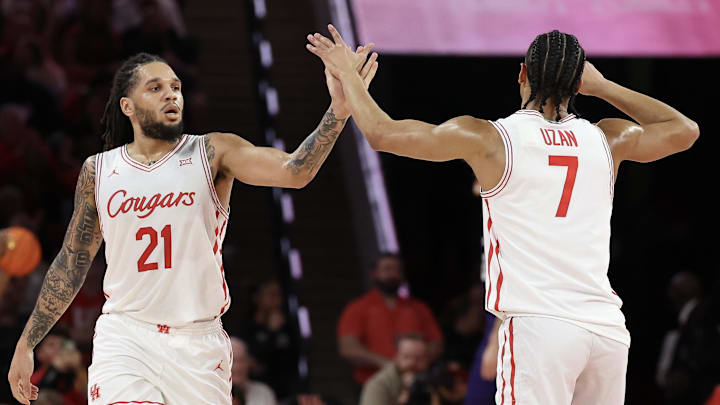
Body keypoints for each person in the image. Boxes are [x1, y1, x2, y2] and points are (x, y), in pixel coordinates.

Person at [308, 26, 699, 404]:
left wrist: (347, 75)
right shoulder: (609, 137)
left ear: (522, 74)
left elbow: (382, 133)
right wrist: (604, 87)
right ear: (579, 83)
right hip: (606, 331)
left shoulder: (490, 137)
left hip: (539, 327)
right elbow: (685, 130)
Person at [8, 47, 379, 405]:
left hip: (198, 343)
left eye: (176, 87)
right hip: (126, 335)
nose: (171, 94)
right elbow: (72, 262)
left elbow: (296, 171)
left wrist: (339, 110)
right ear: (128, 106)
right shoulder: (100, 171)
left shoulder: (212, 151)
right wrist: (27, 342)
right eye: (155, 88)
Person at [337, 253, 443, 384]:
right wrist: (387, 364)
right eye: (387, 269)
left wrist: (415, 363)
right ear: (374, 273)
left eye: (397, 270)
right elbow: (348, 348)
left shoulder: (418, 308)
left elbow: (436, 343)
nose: (393, 274)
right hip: (372, 381)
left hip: (415, 381)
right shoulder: (357, 308)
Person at [240, 279, 299, 398]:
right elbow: (251, 360)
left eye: (279, 295)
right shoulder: (247, 328)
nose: (277, 301)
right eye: (272, 295)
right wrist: (271, 332)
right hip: (257, 393)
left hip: (285, 394)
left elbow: (295, 359)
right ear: (257, 298)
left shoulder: (288, 328)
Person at [359, 334, 430, 405]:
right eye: (406, 357)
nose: (412, 363)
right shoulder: (378, 385)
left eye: (419, 358)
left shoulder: (433, 382)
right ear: (397, 356)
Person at [230, 337, 277, 405]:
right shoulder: (212, 395)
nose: (238, 367)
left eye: (242, 360)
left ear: (249, 363)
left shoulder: (263, 393)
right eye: (233, 361)